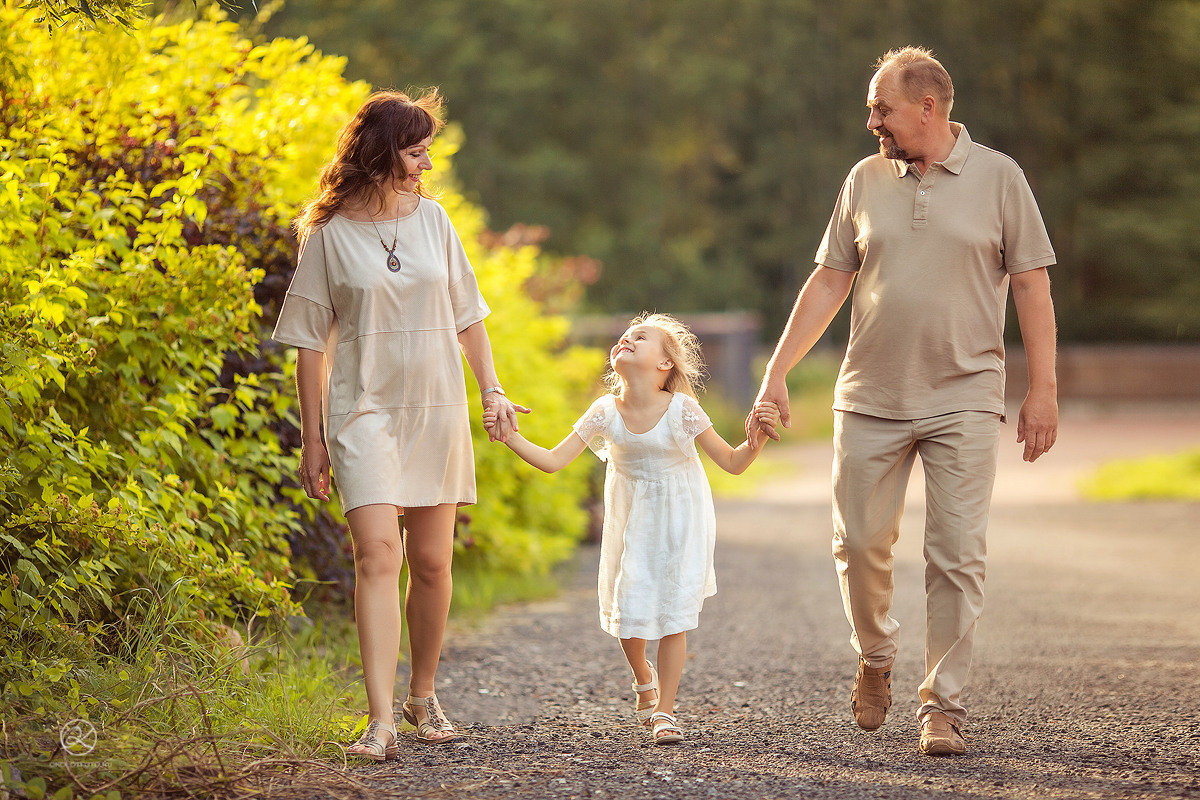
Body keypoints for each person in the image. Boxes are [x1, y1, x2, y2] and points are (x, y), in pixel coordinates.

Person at [750, 47, 1059, 756]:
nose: (871, 121)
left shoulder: (1000, 178)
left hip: (965, 395)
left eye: (880, 107)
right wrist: (775, 374)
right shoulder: (863, 179)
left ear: (928, 106)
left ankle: (943, 706)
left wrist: (1042, 392)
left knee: (956, 553)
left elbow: (1033, 287)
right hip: (869, 395)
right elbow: (829, 282)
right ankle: (877, 654)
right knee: (857, 543)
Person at [273, 89, 528, 759]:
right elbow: (307, 345)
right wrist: (313, 437)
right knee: (378, 556)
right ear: (385, 152)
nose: (427, 163)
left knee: (434, 563)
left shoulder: (435, 221)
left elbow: (469, 315)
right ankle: (381, 719)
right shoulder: (327, 236)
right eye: (417, 151)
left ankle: (422, 693)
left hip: (435, 405)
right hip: (363, 410)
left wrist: (493, 390)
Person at [484, 313, 780, 745]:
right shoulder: (604, 411)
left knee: (673, 615)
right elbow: (552, 460)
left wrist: (755, 441)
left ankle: (665, 711)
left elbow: (733, 463)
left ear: (664, 365)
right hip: (630, 523)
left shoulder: (683, 410)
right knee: (629, 613)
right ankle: (643, 675)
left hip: (680, 522)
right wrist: (509, 437)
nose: (627, 339)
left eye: (640, 338)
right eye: (624, 336)